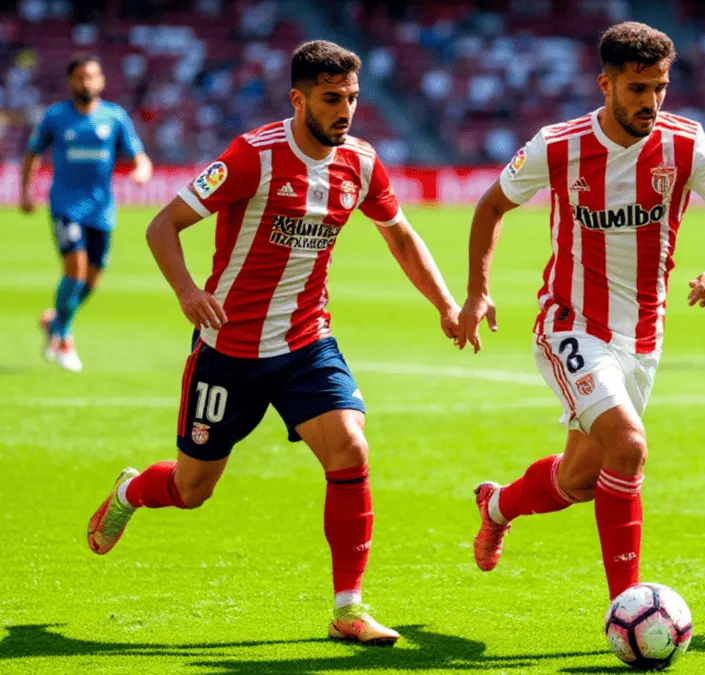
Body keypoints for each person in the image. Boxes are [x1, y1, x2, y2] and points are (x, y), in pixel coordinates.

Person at [85, 41, 462, 646]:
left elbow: (401, 237)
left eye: (354, 99)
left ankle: (348, 609)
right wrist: (186, 292)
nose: (346, 111)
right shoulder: (251, 157)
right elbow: (163, 225)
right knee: (192, 489)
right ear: (299, 98)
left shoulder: (361, 163)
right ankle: (131, 490)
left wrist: (446, 302)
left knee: (351, 451)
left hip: (307, 343)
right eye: (332, 99)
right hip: (228, 350)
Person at [458, 22, 705, 602]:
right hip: (569, 322)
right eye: (637, 89)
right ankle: (628, 605)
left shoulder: (686, 144)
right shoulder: (558, 145)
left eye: (660, 88)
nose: (650, 102)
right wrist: (477, 291)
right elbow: (492, 204)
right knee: (629, 446)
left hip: (643, 337)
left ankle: (497, 505)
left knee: (579, 481)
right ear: (606, 84)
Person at [21, 55, 153, 371]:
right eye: (80, 77)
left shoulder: (115, 117)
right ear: (70, 82)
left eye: (92, 76)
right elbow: (32, 154)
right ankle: (63, 337)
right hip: (66, 207)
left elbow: (139, 156)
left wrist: (142, 171)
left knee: (93, 278)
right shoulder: (55, 117)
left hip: (101, 210)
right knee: (76, 270)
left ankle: (55, 321)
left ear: (102, 81)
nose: (86, 83)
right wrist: (26, 192)